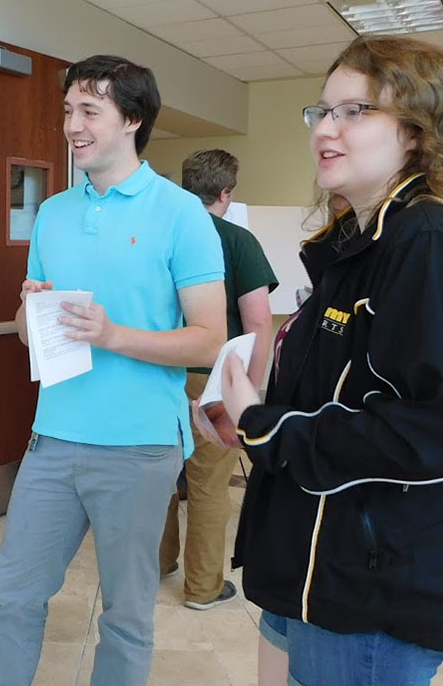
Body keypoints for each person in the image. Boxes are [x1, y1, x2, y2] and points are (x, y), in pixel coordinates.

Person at [207, 36, 443, 686]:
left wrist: (271, 429)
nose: (326, 129)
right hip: (312, 557)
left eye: (355, 111)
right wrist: (250, 413)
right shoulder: (355, 247)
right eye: (321, 112)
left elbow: (436, 431)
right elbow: (338, 392)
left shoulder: (429, 242)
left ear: (414, 132)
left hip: (373, 586)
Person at [0, 55, 226, 686]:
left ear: (132, 120)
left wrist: (113, 334)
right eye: (68, 110)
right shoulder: (54, 214)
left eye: (90, 110)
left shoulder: (181, 214)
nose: (73, 124)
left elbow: (208, 340)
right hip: (54, 438)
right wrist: (30, 310)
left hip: (140, 447)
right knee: (15, 594)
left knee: (125, 612)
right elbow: (23, 328)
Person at [158, 149, 277, 611]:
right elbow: (259, 323)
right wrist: (250, 391)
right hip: (211, 381)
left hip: (160, 375)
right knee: (208, 486)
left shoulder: (162, 236)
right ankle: (203, 587)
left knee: (163, 478)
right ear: (225, 193)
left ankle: (158, 561)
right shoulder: (237, 240)